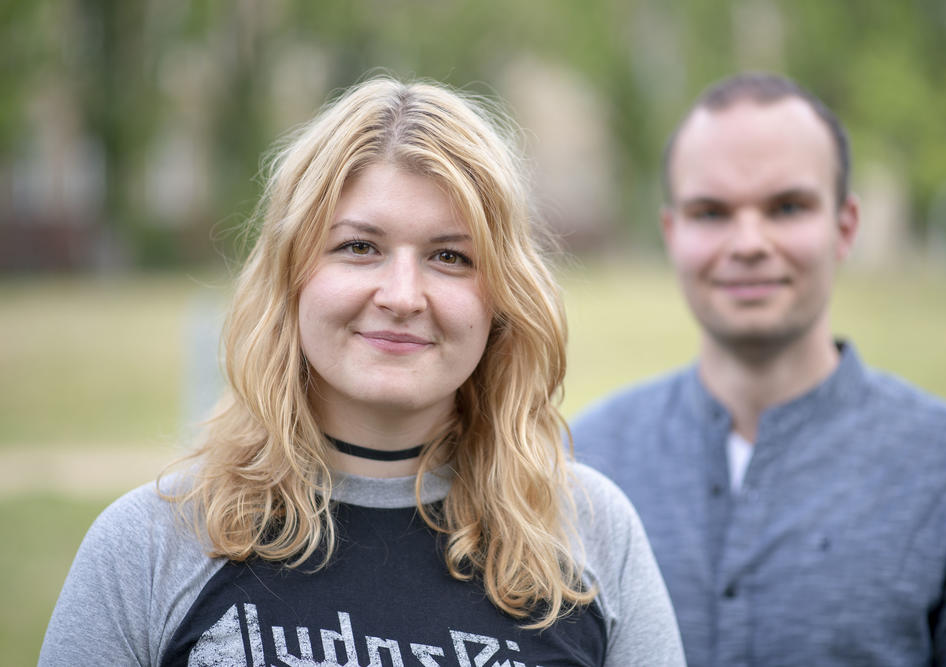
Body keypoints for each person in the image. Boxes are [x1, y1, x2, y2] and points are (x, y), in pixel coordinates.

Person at [41, 77, 685, 666]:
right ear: (291, 276)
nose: (403, 296)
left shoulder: (589, 532)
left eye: (451, 256)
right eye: (359, 247)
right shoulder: (152, 545)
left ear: (502, 300)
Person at [570, 72, 946, 666]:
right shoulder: (579, 467)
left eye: (788, 207)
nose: (749, 242)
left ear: (844, 227)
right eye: (712, 212)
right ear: (673, 233)